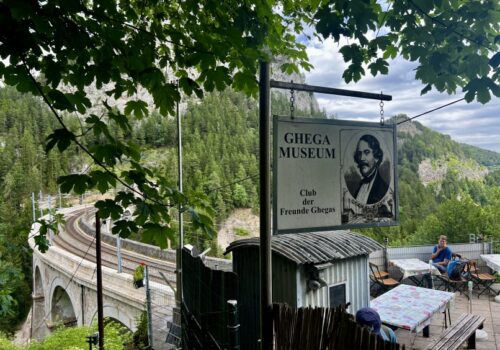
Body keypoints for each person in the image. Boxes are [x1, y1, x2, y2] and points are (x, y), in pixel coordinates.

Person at [353, 134, 389, 205]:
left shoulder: (383, 189)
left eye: (366, 152)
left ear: (376, 157)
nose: (361, 158)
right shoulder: (359, 187)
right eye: (359, 153)